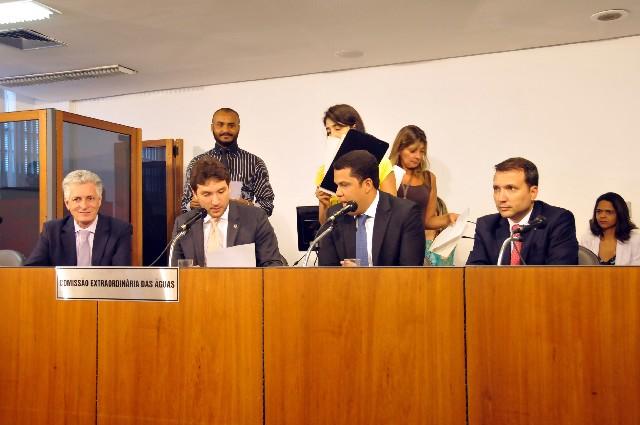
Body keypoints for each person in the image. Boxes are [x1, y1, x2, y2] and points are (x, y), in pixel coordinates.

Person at [317, 150, 425, 266]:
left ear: (367, 184)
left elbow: (410, 273)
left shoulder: (405, 213)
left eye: (344, 185)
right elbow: (327, 271)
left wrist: (363, 275)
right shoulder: (335, 216)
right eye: (337, 185)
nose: (338, 193)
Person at [172, 156, 283, 267]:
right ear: (195, 193)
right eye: (207, 194)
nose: (215, 202)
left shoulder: (255, 218)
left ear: (229, 187)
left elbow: (272, 265)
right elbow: (175, 272)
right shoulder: (183, 224)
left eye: (221, 192)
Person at [466, 157, 578, 265]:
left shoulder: (557, 220)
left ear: (533, 192)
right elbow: (474, 273)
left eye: (511, 188)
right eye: (497, 189)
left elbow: (560, 273)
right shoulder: (486, 226)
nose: (501, 198)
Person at [25, 170, 133, 266]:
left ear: (99, 201)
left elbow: (121, 275)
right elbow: (32, 270)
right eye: (77, 199)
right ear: (67, 203)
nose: (84, 206)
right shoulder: (52, 231)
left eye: (90, 198)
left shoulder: (119, 231)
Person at [181, 108, 275, 216]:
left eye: (231, 125)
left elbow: (267, 206)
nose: (225, 130)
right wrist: (191, 205)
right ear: (212, 127)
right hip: (206, 225)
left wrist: (248, 205)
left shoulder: (255, 163)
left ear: (238, 128)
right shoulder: (196, 163)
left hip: (243, 224)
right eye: (220, 125)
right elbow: (184, 206)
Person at [315, 104, 397, 224]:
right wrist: (324, 204)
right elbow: (324, 224)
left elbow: (392, 210)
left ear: (354, 129)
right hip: (341, 233)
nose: (332, 135)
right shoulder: (324, 171)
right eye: (329, 132)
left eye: (337, 129)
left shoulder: (382, 164)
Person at [388, 125, 458, 260]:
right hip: (390, 243)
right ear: (400, 148)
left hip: (415, 245)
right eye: (413, 151)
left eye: (422, 151)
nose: (418, 156)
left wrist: (448, 218)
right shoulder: (387, 174)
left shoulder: (428, 178)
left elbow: (428, 220)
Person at [580, 192, 640, 265]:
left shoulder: (635, 239)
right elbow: (583, 269)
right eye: (599, 211)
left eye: (608, 212)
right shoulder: (587, 239)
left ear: (620, 214)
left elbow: (636, 270)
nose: (602, 216)